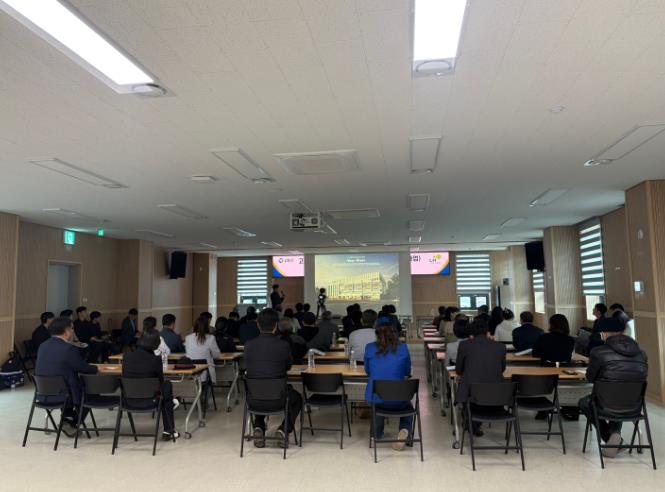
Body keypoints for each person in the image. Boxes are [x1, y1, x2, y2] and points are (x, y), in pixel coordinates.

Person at [578, 320, 648, 457]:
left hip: (606, 404)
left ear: (604, 334)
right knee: (619, 396)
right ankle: (615, 435)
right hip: (634, 406)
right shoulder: (642, 354)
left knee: (585, 403)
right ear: (623, 332)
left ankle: (613, 439)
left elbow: (590, 378)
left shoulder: (598, 352)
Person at [244, 308, 302, 447]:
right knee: (298, 398)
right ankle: (284, 430)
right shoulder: (283, 345)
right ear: (276, 325)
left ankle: (259, 426)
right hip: (279, 400)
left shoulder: (248, 345)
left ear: (258, 324)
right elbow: (288, 366)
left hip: (253, 400)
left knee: (261, 389)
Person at [35, 317, 98, 430]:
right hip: (64, 395)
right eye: (72, 328)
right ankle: (72, 422)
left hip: (43, 393)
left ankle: (67, 418)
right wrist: (97, 368)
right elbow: (82, 367)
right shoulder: (68, 348)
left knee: (68, 383)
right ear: (67, 331)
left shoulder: (42, 346)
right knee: (92, 393)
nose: (73, 331)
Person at [122, 329, 179, 440]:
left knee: (165, 390)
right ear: (156, 343)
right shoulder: (155, 360)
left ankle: (170, 424)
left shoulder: (127, 357)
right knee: (167, 386)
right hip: (151, 400)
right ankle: (169, 430)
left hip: (129, 400)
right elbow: (160, 382)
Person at [364, 323, 413, 450]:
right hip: (399, 399)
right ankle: (405, 430)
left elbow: (367, 371)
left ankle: (376, 434)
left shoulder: (369, 348)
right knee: (408, 405)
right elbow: (407, 371)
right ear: (395, 334)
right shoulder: (403, 347)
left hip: (376, 397)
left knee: (377, 402)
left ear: (377, 335)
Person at [455, 319, 506, 436]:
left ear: (471, 332)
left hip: (472, 395)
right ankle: (473, 423)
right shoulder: (500, 346)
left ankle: (471, 422)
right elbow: (502, 369)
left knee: (468, 389)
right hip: (496, 396)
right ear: (488, 332)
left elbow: (458, 370)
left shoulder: (464, 345)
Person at [185, 317, 221, 383]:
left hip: (191, 372)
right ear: (207, 327)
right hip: (206, 374)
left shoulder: (188, 338)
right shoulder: (211, 338)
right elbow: (217, 355)